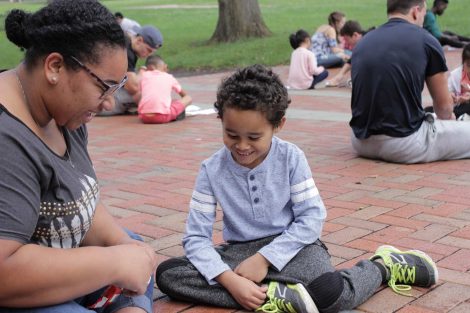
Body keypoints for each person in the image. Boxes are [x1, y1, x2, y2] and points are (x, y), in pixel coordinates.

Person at [155, 64, 438, 313]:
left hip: (295, 247)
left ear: (279, 125)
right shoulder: (211, 169)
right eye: (231, 135)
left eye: (254, 136)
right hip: (239, 253)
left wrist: (265, 259)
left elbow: (311, 219)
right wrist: (231, 281)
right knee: (169, 274)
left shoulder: (291, 158)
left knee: (330, 294)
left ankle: (383, 267)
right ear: (221, 121)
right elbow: (196, 238)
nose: (241, 146)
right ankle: (276, 296)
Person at [0, 1, 158, 312]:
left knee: (133, 247)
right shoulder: (7, 138)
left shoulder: (63, 111)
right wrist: (112, 263)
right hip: (16, 289)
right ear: (55, 67)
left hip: (56, 270)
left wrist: (123, 254)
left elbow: (81, 199)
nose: (109, 104)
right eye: (104, 87)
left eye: (118, 87)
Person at [350, 0, 470, 164]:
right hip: (405, 143)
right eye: (424, 14)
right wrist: (450, 108)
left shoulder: (363, 41)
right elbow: (444, 109)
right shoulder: (426, 40)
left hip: (360, 141)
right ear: (416, 11)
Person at [98, 25, 163, 116]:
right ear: (139, 40)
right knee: (146, 94)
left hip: (98, 89)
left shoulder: (127, 42)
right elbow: (133, 88)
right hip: (97, 100)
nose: (149, 54)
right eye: (148, 50)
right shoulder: (127, 52)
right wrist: (143, 72)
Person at [137, 55, 192, 124]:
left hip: (144, 117)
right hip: (162, 117)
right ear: (164, 66)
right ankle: (176, 114)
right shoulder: (169, 77)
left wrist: (142, 69)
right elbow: (184, 95)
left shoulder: (144, 75)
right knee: (188, 98)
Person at [325, 20, 367, 87]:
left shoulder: (368, 43)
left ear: (355, 35)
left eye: (347, 39)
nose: (346, 43)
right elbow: (353, 58)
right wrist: (340, 75)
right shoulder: (364, 40)